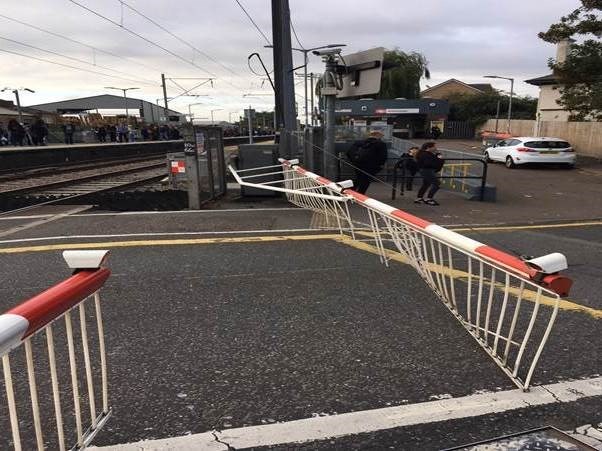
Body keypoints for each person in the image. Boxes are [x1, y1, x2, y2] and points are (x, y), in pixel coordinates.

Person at [346, 130, 388, 195]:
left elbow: (349, 153)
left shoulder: (358, 143)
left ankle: (349, 193)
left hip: (358, 164)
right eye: (381, 136)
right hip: (371, 166)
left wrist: (354, 161)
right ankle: (360, 195)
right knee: (365, 181)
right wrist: (379, 166)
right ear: (378, 135)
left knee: (358, 179)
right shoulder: (381, 144)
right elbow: (383, 157)